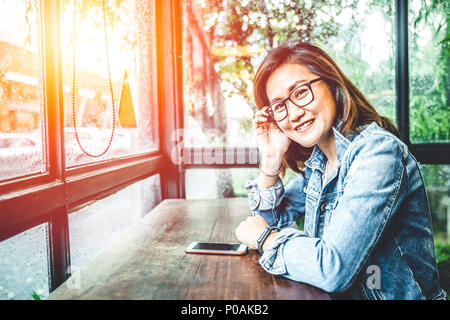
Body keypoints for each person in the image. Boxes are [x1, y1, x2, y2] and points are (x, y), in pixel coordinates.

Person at [235, 42, 447, 300]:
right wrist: (270, 163)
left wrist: (267, 240)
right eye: (279, 106)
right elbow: (269, 219)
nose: (293, 114)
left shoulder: (378, 153)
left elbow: (333, 269)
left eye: (300, 92)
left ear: (332, 85)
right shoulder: (320, 163)